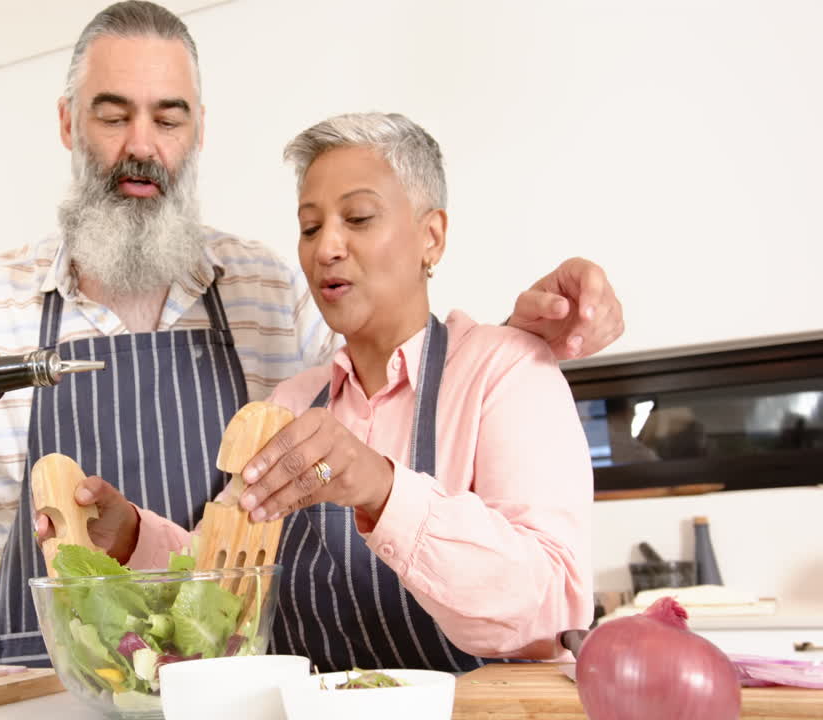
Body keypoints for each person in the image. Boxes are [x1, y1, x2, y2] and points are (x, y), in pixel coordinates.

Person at [0, 1, 621, 668]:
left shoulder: (265, 289)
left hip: (224, 693)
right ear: (66, 123)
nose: (140, 146)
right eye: (112, 115)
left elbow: (397, 377)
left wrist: (509, 344)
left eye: (168, 117)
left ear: (197, 131)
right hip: (50, 690)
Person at [79, 112, 594, 671]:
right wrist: (130, 534)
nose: (327, 247)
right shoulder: (292, 405)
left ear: (432, 236)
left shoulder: (508, 372)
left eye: (359, 217)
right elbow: (221, 581)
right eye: (309, 226)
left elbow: (549, 603)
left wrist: (382, 488)